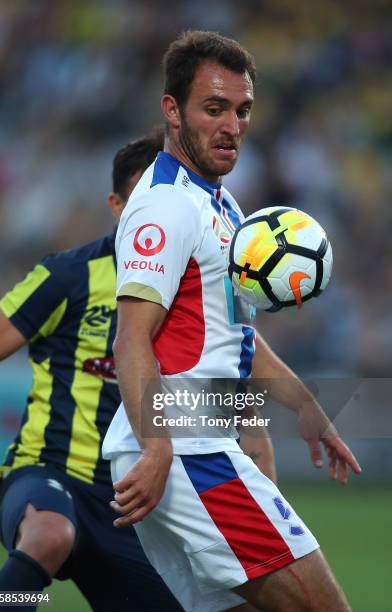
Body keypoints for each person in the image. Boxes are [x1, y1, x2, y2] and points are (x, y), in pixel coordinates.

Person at [103, 31, 362, 612]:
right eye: (213, 108)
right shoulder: (165, 203)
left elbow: (235, 334)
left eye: (242, 111)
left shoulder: (221, 203)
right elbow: (132, 336)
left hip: (196, 439)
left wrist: (304, 405)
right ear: (172, 111)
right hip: (187, 450)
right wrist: (157, 448)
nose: (232, 126)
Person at [0, 131, 187, 612]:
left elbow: (244, 354)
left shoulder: (191, 288)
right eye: (141, 203)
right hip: (46, 470)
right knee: (50, 536)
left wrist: (293, 409)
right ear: (117, 206)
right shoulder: (68, 276)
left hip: (128, 504)